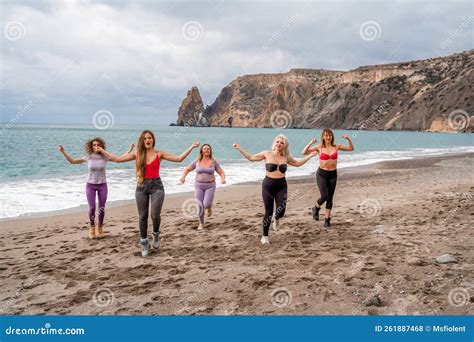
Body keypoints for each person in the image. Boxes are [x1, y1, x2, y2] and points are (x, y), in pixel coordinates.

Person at [98, 130, 199, 257]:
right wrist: (102, 150)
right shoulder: (137, 154)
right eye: (145, 138)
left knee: (155, 215)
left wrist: (191, 147)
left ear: (153, 140)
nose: (147, 140)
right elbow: (117, 159)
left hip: (157, 186)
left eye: (150, 138)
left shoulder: (159, 154)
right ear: (142, 141)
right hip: (141, 187)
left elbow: (179, 159)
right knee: (142, 216)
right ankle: (144, 242)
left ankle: (156, 235)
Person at [233, 134, 317, 244]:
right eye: (277, 142)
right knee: (268, 212)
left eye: (282, 143)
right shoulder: (266, 154)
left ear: (285, 146)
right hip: (268, 185)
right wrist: (239, 148)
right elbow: (251, 158)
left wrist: (309, 156)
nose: (279, 144)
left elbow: (297, 163)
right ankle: (265, 236)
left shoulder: (286, 157)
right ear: (274, 143)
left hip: (281, 186)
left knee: (281, 211)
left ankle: (276, 219)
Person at [58, 138, 133, 239]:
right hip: (90, 186)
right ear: (91, 146)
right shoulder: (88, 157)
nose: (96, 146)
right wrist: (63, 152)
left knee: (101, 208)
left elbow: (119, 159)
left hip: (102, 185)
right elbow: (72, 161)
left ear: (101, 146)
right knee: (92, 208)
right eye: (94, 145)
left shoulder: (105, 157)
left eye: (98, 144)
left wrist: (130, 150)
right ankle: (92, 227)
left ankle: (100, 227)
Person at [302, 129, 355, 227]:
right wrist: (310, 142)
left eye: (330, 135)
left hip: (332, 175)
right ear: (323, 137)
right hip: (321, 174)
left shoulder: (336, 146)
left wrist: (348, 139)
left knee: (330, 198)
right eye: (326, 135)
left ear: (332, 137)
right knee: (324, 196)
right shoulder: (319, 147)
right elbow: (304, 152)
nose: (328, 137)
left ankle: (327, 219)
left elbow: (351, 148)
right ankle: (316, 208)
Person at [180, 144, 226, 230]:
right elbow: (187, 169)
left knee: (206, 204)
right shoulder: (197, 161)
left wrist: (222, 179)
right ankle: (201, 223)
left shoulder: (213, 162)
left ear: (210, 151)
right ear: (201, 151)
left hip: (210, 186)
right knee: (200, 205)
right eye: (204, 149)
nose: (206, 150)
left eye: (208, 149)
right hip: (198, 186)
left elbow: (221, 172)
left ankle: (209, 207)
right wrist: (183, 177)